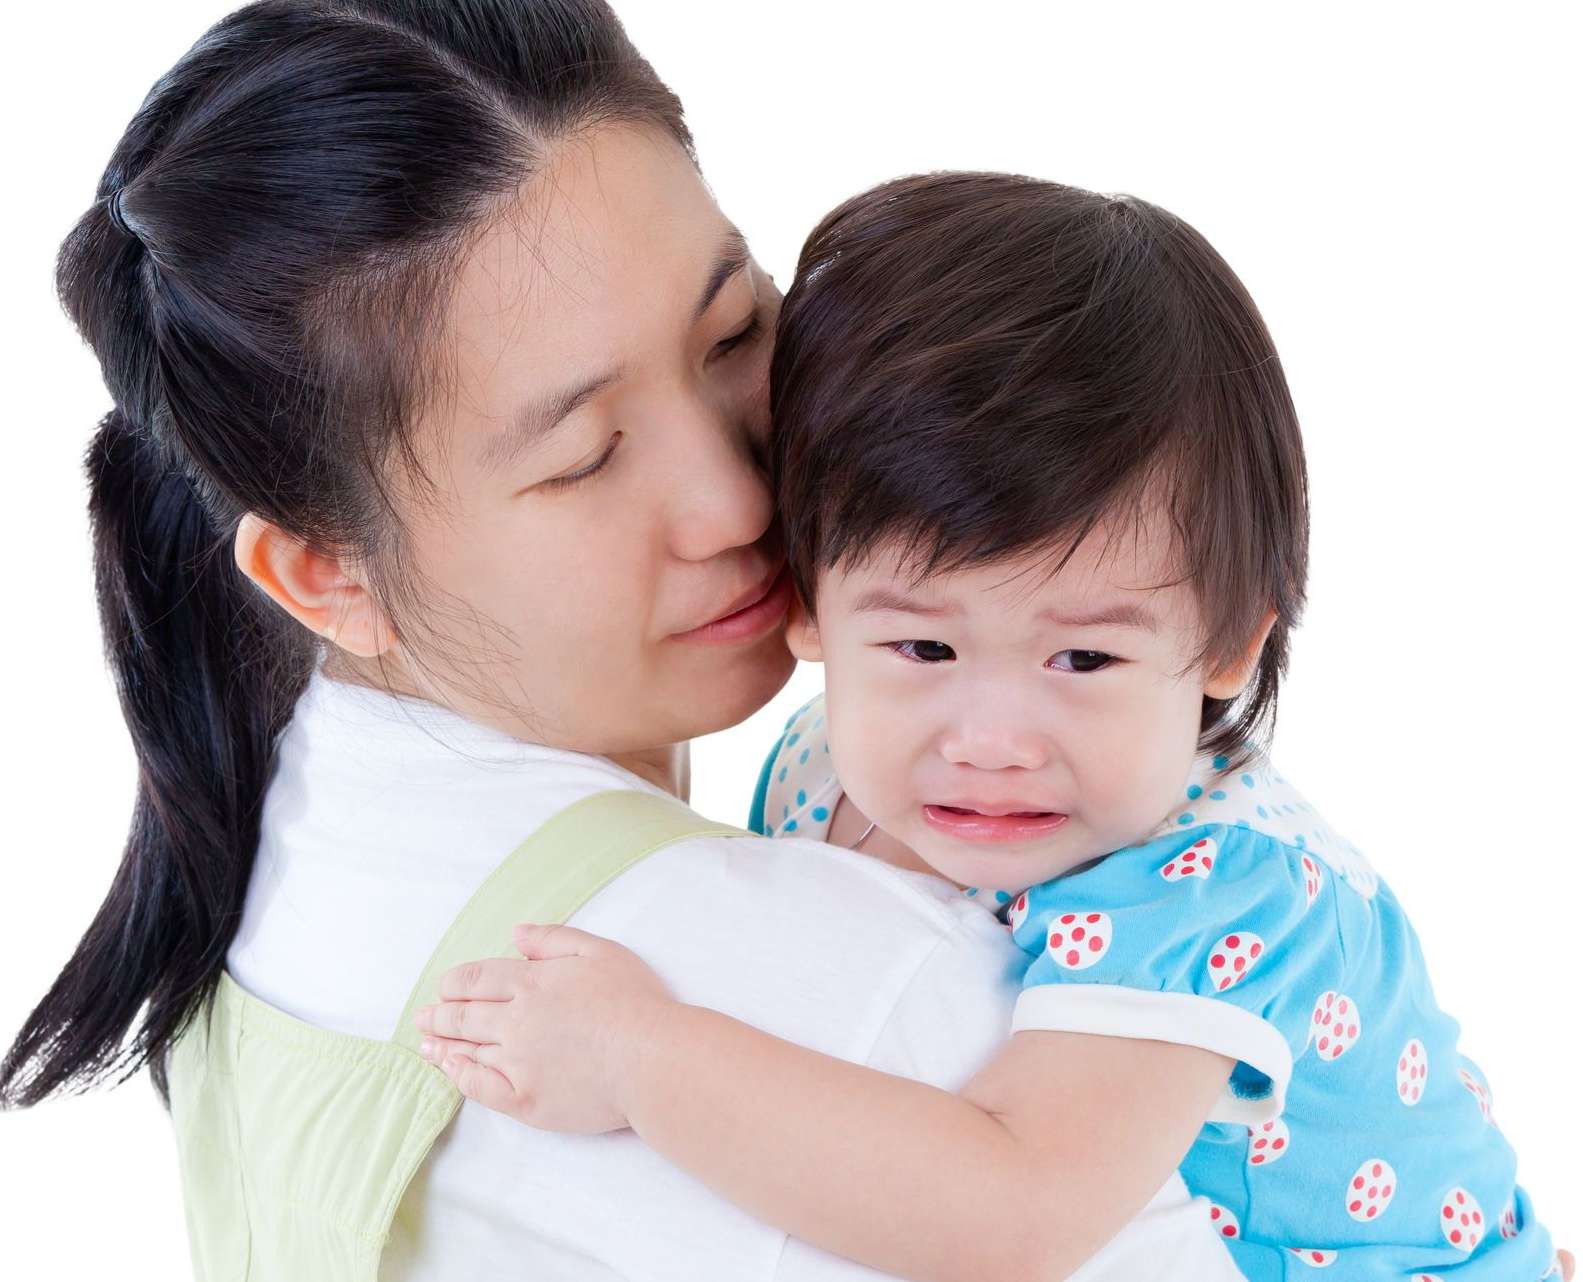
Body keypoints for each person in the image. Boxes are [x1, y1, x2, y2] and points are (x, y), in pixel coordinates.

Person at [0, 4, 1246, 1279]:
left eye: (734, 335)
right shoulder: (858, 1023)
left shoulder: (278, 839)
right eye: (585, 456)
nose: (738, 501)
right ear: (327, 571)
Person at [415, 174, 1570, 1281]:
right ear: (806, 601)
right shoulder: (822, 762)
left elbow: (1009, 1216)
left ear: (1227, 642)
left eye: (1083, 659)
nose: (992, 740)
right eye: (923, 648)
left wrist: (638, 1057)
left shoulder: (1209, 893)